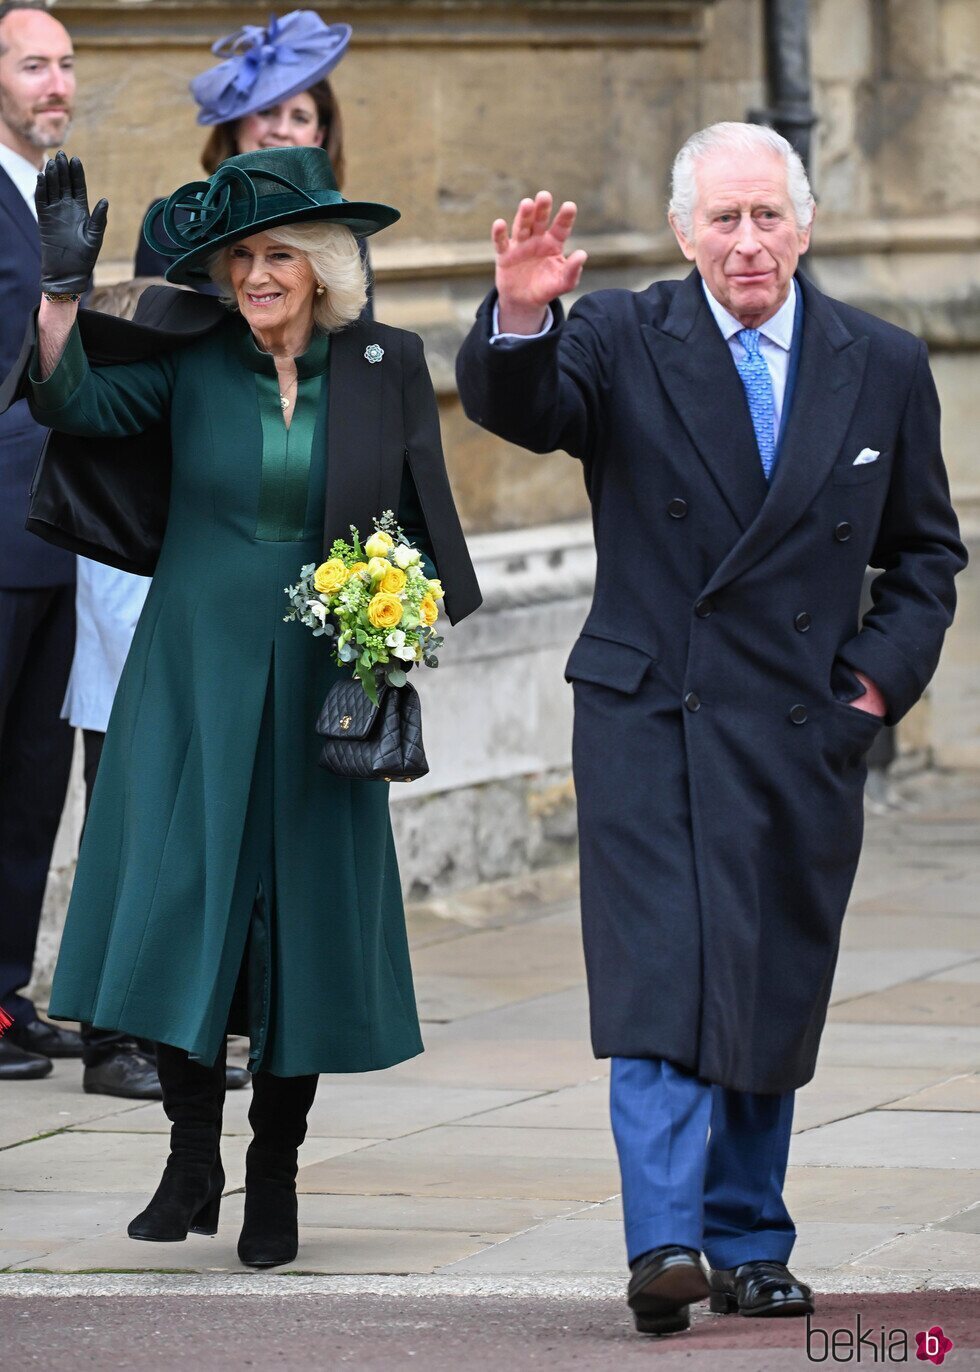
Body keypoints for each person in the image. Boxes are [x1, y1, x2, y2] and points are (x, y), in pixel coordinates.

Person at [455, 121, 966, 1334]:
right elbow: (526, 410)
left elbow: (926, 555)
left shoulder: (879, 360)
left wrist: (868, 692)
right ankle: (669, 1238)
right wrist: (518, 318)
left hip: (798, 725)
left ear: (803, 226)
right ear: (684, 233)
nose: (747, 241)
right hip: (649, 713)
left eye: (767, 216)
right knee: (660, 977)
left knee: (764, 976)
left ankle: (748, 1239)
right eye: (723, 219)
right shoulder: (627, 335)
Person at [21, 144, 481, 1268]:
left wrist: (395, 621)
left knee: (299, 933)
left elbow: (422, 532)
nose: (258, 275)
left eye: (280, 254)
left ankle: (273, 1172)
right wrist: (62, 288)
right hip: (192, 670)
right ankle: (191, 1154)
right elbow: (71, 393)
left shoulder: (383, 363)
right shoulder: (193, 358)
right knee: (186, 904)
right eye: (242, 257)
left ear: (325, 266)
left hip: (325, 681)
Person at [63, 278, 250, 1101]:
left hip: (184, 669)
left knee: (177, 862)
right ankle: (110, 1039)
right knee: (126, 852)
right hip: (132, 672)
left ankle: (169, 1030)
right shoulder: (127, 410)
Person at [0, 0, 83, 1080]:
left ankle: (7, 994)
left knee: (32, 779)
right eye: (32, 66)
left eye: (65, 65)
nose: (56, 84)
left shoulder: (56, 194)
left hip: (60, 534)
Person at [134, 10, 373, 314]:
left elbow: (362, 346)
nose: (281, 129)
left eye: (300, 117)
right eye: (267, 111)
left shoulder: (341, 229)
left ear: (319, 136)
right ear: (236, 124)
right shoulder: (173, 223)